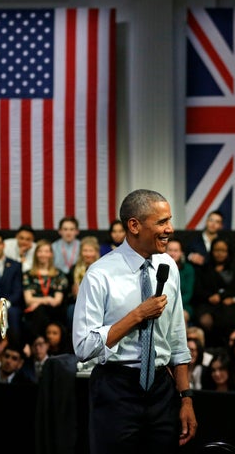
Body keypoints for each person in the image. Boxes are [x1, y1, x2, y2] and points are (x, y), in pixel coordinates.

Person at [72, 188, 197, 452]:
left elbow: (177, 339)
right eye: (162, 222)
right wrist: (137, 315)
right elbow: (83, 347)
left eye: (169, 221)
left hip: (163, 392)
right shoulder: (100, 274)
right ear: (134, 225)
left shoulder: (169, 266)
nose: (170, 229)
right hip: (116, 391)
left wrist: (186, 399)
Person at [191, 236, 235, 348]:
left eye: (223, 251)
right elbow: (198, 290)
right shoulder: (204, 269)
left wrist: (223, 297)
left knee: (226, 319)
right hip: (207, 304)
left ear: (228, 252)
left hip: (228, 304)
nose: (219, 254)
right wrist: (209, 297)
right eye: (217, 250)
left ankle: (225, 349)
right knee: (205, 320)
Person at [22, 239, 70, 344]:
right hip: (35, 313)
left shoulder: (59, 275)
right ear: (36, 254)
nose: (43, 254)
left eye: (46, 251)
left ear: (51, 254)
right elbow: (28, 300)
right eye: (40, 251)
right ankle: (38, 343)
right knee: (39, 310)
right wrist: (47, 299)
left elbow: (57, 301)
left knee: (42, 308)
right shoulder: (28, 274)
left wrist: (38, 301)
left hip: (54, 311)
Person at [68, 236, 101, 328]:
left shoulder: (102, 268)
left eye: (91, 251)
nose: (87, 254)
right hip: (78, 303)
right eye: (85, 250)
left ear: (96, 252)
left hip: (98, 303)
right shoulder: (74, 269)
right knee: (71, 310)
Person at [166, 237, 195, 325]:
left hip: (183, 305)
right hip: (164, 305)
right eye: (170, 250)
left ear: (181, 253)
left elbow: (188, 294)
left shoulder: (188, 269)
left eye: (176, 250)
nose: (172, 253)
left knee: (179, 317)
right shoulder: (159, 268)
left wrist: (174, 305)